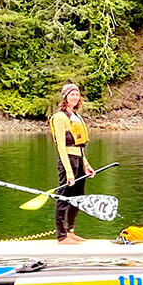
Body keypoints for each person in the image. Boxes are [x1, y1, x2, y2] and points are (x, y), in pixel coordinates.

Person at [49, 83, 96, 244]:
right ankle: (61, 236)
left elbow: (79, 146)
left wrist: (86, 165)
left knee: (78, 198)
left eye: (77, 94)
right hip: (67, 160)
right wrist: (69, 172)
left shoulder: (76, 116)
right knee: (64, 197)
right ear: (65, 97)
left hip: (78, 159)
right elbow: (61, 146)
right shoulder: (60, 117)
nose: (75, 97)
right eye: (72, 94)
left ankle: (70, 231)